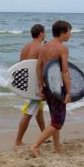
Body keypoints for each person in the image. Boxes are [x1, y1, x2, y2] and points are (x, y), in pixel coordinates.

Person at [30, 20, 72, 157]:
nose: (70, 35)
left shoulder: (44, 47)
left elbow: (39, 67)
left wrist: (42, 86)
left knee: (55, 118)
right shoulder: (62, 48)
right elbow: (65, 72)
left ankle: (56, 148)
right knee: (58, 122)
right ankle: (35, 146)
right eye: (69, 32)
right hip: (58, 88)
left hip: (48, 86)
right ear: (63, 33)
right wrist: (69, 92)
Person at [14, 24, 47, 147]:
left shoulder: (25, 47)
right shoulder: (41, 48)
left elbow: (20, 67)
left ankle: (44, 134)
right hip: (34, 85)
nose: (45, 34)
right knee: (28, 112)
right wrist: (41, 86)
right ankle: (18, 141)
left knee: (38, 111)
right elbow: (39, 68)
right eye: (45, 32)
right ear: (41, 33)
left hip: (26, 83)